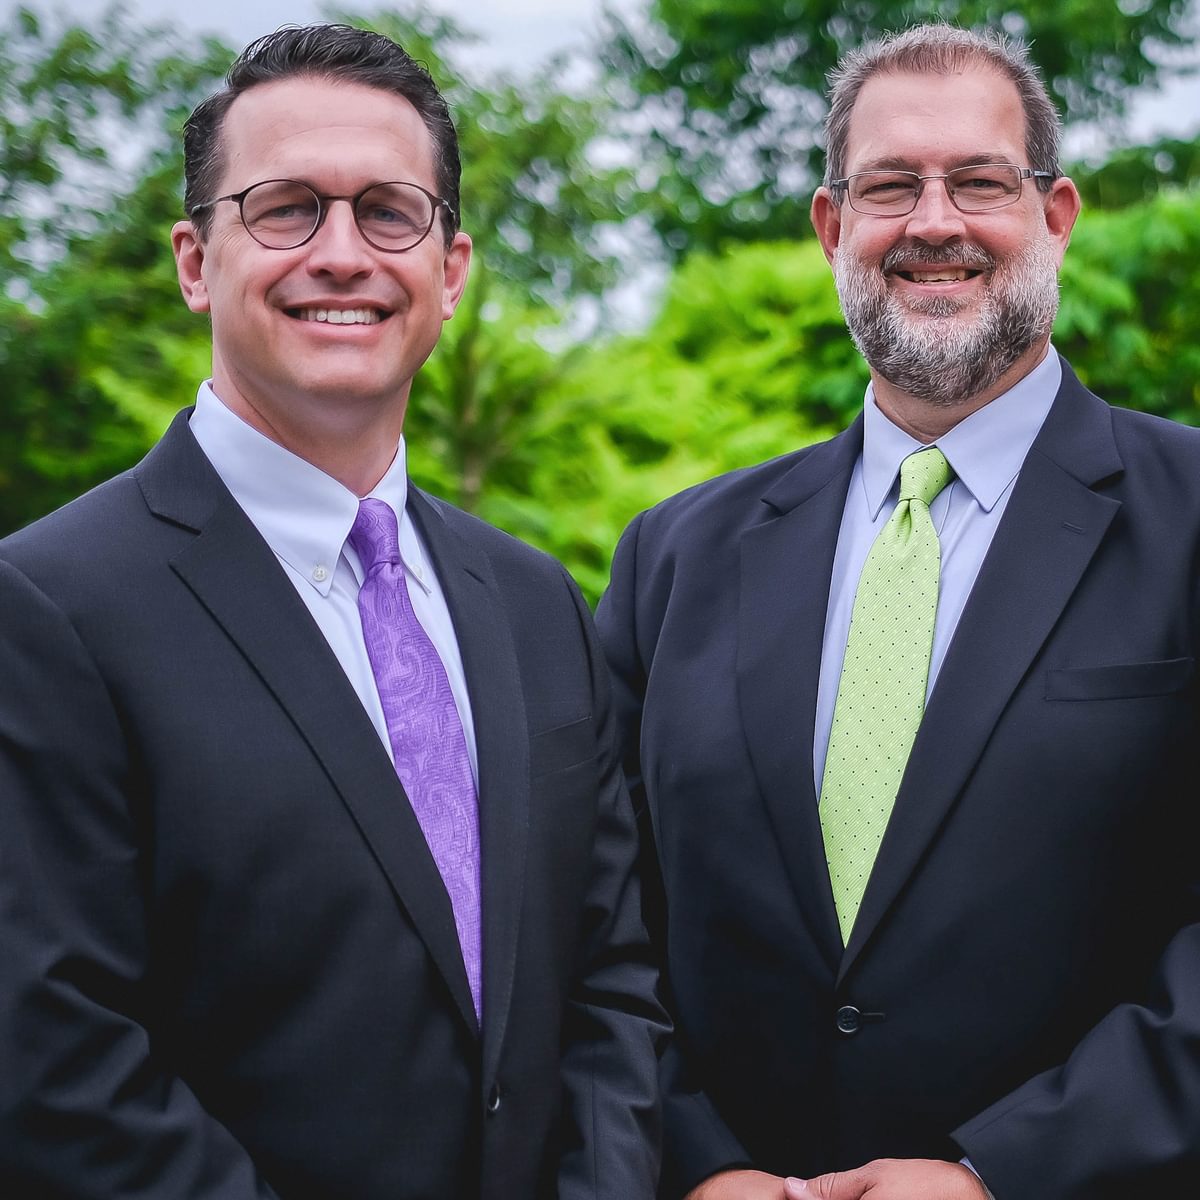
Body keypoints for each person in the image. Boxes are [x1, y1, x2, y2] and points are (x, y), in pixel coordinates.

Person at [0, 24, 666, 1200]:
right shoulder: (48, 608)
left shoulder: (535, 603)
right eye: (287, 207)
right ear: (196, 260)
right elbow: (55, 1064)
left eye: (389, 211)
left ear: (450, 269)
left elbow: (609, 977)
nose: (342, 253)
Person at [596, 22, 1200, 1200]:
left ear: (1057, 215)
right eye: (888, 187)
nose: (933, 221)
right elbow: (598, 918)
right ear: (833, 228)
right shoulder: (676, 555)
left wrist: (997, 1174)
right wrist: (695, 1162)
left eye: (979, 180)